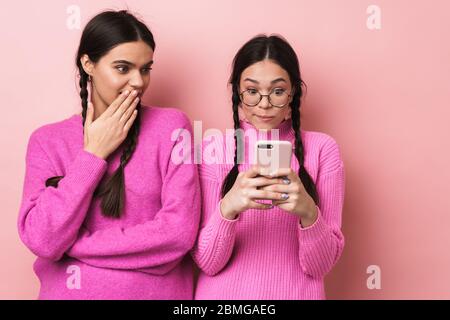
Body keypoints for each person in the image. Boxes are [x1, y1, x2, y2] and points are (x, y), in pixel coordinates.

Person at [18, 10, 200, 300]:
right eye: (123, 68)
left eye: (145, 69)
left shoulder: (172, 128)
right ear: (88, 64)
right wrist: (93, 154)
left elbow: (178, 234)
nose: (139, 82)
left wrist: (75, 245)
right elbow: (42, 238)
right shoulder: (47, 141)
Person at [192, 35, 345, 299]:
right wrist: (229, 208)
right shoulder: (214, 148)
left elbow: (320, 267)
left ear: (293, 92)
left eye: (277, 91)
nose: (264, 104)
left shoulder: (323, 149)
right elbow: (208, 263)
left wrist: (309, 212)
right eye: (252, 91)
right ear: (237, 93)